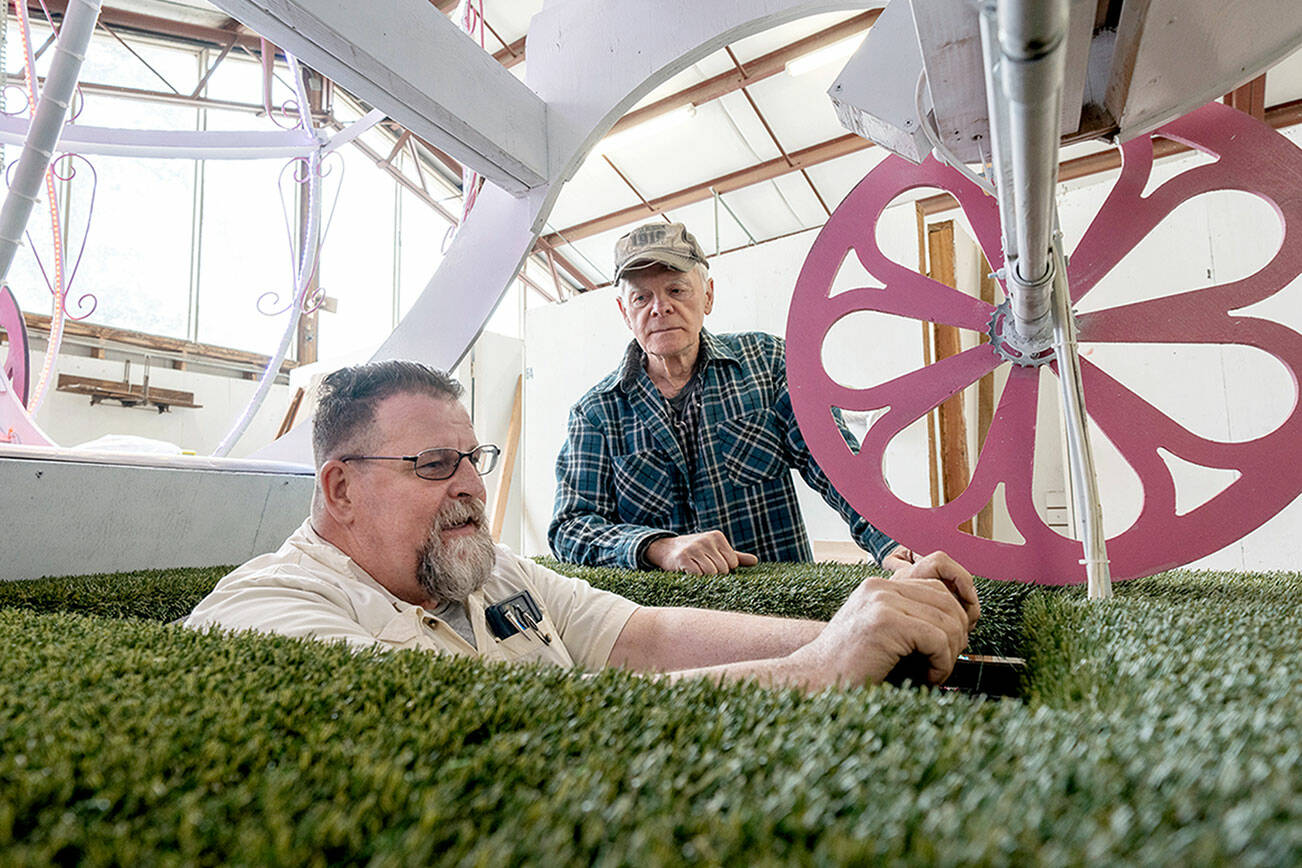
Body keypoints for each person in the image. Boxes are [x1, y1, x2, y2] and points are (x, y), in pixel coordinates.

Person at [186, 360, 979, 691]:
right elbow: (497, 733)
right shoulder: (262, 615)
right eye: (435, 465)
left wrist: (843, 621)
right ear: (340, 488)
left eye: (473, 457)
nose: (470, 486)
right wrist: (818, 667)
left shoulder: (492, 575)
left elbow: (649, 638)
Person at [549, 221, 909, 575]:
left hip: (781, 611)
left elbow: (839, 466)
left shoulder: (767, 363)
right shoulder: (596, 412)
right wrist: (656, 547)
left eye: (676, 290)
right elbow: (569, 527)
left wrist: (890, 541)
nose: (659, 308)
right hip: (661, 623)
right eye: (641, 298)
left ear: (708, 295)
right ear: (624, 312)